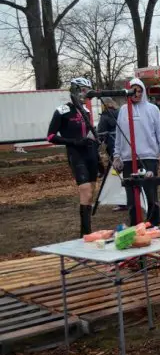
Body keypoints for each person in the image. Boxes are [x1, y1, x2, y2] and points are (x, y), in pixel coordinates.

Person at [112, 78, 160, 227]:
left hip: (148, 157)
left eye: (139, 90)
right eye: (133, 91)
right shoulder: (124, 110)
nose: (136, 94)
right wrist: (117, 155)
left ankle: (155, 225)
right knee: (132, 198)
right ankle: (135, 228)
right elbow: (119, 134)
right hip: (127, 159)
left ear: (143, 91)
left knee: (150, 195)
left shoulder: (152, 109)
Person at [46, 77, 99, 237]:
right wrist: (73, 141)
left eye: (86, 90)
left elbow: (90, 134)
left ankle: (88, 227)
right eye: (82, 90)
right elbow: (50, 136)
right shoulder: (62, 110)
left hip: (90, 153)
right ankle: (85, 232)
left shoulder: (87, 111)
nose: (85, 94)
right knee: (85, 190)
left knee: (91, 192)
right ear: (75, 90)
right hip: (76, 153)